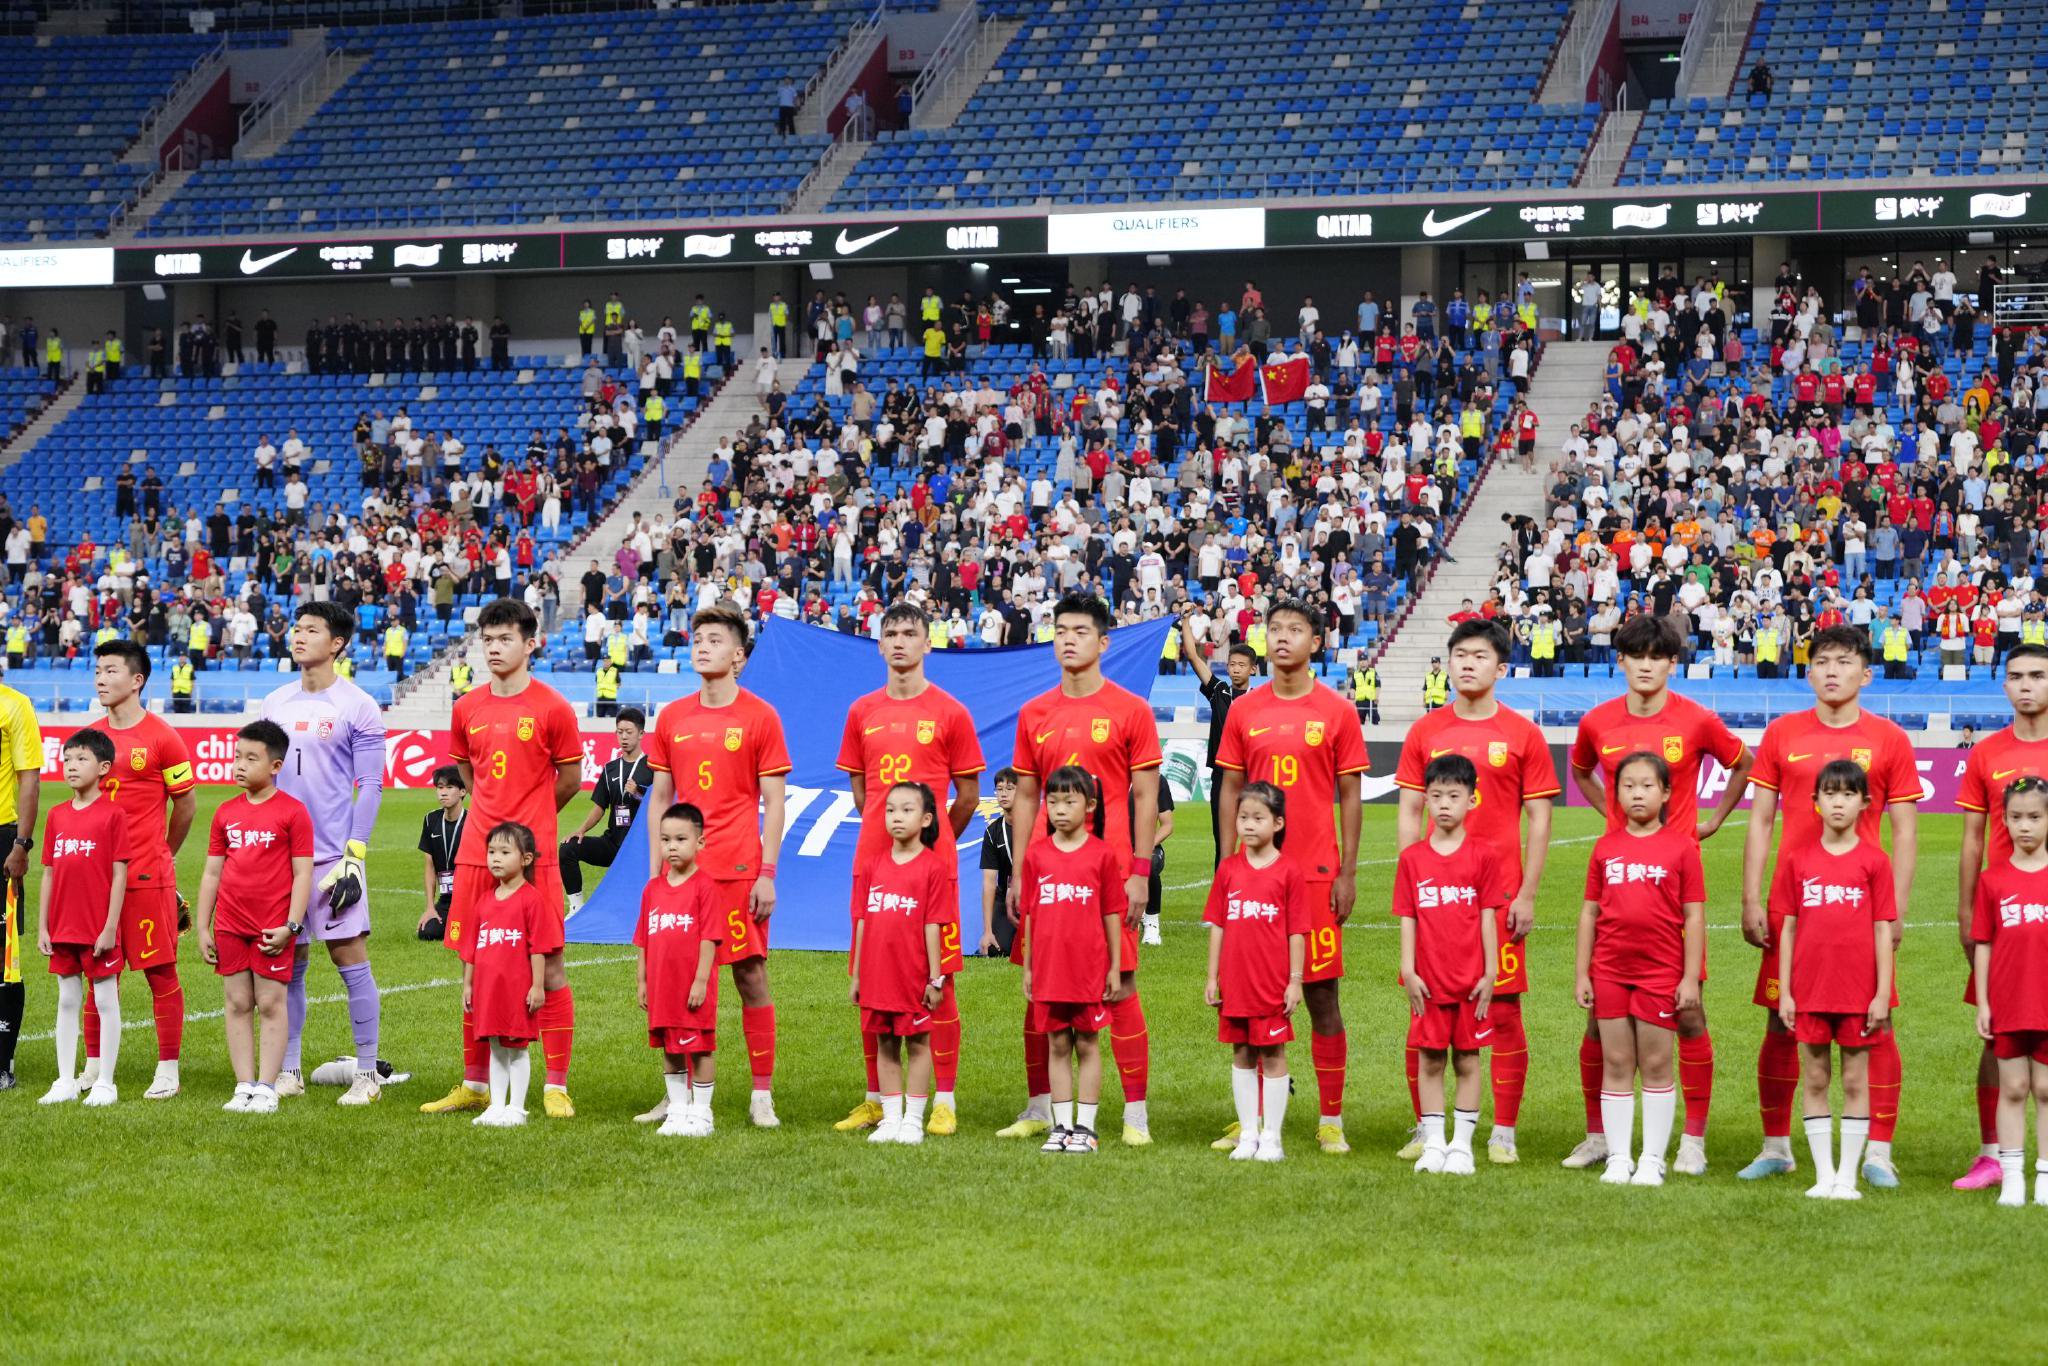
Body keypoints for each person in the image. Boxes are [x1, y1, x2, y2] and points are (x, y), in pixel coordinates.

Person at [1563, 614, 1752, 1175]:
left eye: (1657, 656)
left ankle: (1692, 1138)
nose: (1646, 665)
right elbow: (1580, 772)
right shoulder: (1597, 721)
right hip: (1620, 875)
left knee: (1688, 1012)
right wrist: (1611, 817)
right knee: (1600, 1020)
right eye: (1635, 655)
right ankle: (1599, 1136)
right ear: (1620, 661)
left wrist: (1715, 819)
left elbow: (1744, 762)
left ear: (1673, 663)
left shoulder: (1696, 720)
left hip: (1673, 881)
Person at [1739, 625, 1917, 1186]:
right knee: (1781, 1021)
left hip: (1860, 911)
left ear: (1866, 673)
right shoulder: (1781, 733)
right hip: (1794, 907)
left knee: (1875, 1021)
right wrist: (1751, 897)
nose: (1832, 670)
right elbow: (1762, 820)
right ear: (1809, 671)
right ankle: (1777, 1146)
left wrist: (1896, 913)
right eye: (1822, 661)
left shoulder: (1889, 738)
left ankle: (1877, 1151)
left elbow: (1905, 831)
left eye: (1844, 661)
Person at [1394, 619, 1558, 1164]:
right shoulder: (1425, 731)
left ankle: (1503, 1131)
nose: (1468, 664)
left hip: (1496, 900)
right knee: (1424, 1010)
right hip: (1436, 901)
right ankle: (1428, 1129)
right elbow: (1410, 810)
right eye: (1459, 655)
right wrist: (1410, 880)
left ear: (1501, 668)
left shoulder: (1522, 734)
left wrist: (1527, 893)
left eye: (1480, 656)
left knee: (1503, 1010)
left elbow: (1538, 819)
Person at [1003, 594, 1161, 1145]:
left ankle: (1134, 1114)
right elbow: (1025, 797)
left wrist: (1139, 869)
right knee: (1042, 987)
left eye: (1080, 631)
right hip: (1047, 875)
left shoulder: (1130, 710)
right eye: (1061, 631)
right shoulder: (1035, 713)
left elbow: (1144, 796)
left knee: (1120, 986)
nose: (1068, 640)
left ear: (1103, 643)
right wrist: (1020, 871)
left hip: (1109, 873)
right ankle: (1040, 1108)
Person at [1211, 598, 1365, 1154]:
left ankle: (1331, 1120)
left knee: (1321, 994)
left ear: (1315, 642)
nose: (1282, 638)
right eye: (1274, 628)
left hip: (1316, 872)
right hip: (1252, 876)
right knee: (1248, 996)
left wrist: (1347, 869)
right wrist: (1226, 857)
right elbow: (1230, 787)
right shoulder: (1244, 710)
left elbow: (1350, 794)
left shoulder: (1338, 711)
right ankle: (1252, 1118)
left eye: (1295, 630)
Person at [420, 599, 582, 1119]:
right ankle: (475, 1083)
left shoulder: (553, 707)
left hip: (536, 858)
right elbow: (469, 774)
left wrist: (529, 830)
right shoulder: (467, 707)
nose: (493, 648)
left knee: (550, 965)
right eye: (487, 639)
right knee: (477, 961)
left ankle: (555, 1084)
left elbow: (572, 780)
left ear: (530, 643)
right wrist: (494, 828)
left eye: (505, 638)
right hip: (476, 855)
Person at [832, 603, 983, 1136]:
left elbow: (966, 796)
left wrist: (932, 844)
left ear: (927, 644)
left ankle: (943, 1098)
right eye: (890, 633)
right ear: (879, 645)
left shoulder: (951, 712)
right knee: (871, 977)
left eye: (909, 634)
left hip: (932, 869)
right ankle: (877, 1099)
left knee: (938, 978)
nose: (899, 642)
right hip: (870, 866)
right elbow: (860, 791)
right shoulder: (861, 711)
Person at [640, 603, 791, 1128]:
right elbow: (660, 799)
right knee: (677, 981)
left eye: (715, 639)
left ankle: (761, 1095)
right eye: (697, 638)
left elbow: (775, 801)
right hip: (680, 877)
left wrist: (767, 873)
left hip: (737, 869)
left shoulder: (760, 716)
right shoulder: (672, 717)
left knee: (750, 977)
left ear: (739, 656)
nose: (702, 646)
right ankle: (678, 1097)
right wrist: (657, 869)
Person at [260, 601, 388, 1107]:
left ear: (336, 643)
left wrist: (354, 855)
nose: (298, 636)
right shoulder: (274, 702)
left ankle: (366, 1074)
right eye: (296, 627)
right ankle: (288, 1068)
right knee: (288, 962)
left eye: (311, 629)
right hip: (278, 858)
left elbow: (371, 783)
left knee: (350, 959)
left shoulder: (357, 705)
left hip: (332, 856)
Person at [1575, 752, 1707, 1187]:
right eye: (1628, 785)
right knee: (1615, 1061)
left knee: (1655, 1063)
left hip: (1660, 972)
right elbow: (1590, 914)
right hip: (1610, 970)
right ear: (1616, 793)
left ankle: (1651, 1158)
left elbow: (1694, 916)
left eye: (1647, 785)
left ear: (1666, 793)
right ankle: (1618, 1157)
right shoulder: (1605, 847)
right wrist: (1583, 973)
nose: (1636, 793)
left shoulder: (1682, 847)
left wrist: (1689, 977)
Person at [78, 640, 196, 1101]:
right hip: (95, 879)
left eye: (110, 671)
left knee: (160, 971)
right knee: (96, 972)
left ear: (137, 680)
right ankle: (92, 1065)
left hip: (148, 875)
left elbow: (185, 805)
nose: (101, 679)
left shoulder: (163, 737)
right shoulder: (88, 737)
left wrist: (162, 853)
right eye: (97, 671)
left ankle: (168, 1068)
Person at [1774, 760, 1897, 1200]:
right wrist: (1786, 990)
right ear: (1816, 803)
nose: (1838, 802)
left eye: (1848, 794)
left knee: (1854, 1081)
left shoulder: (1874, 863)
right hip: (1810, 989)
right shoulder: (1798, 860)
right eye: (1830, 793)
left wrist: (1882, 992)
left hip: (1858, 991)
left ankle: (1848, 1175)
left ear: (1865, 803)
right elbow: (1788, 927)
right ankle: (1823, 1175)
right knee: (1815, 1078)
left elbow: (1883, 928)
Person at [1952, 642, 2048, 1189]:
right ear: (2004, 685)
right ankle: (1993, 1154)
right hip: (2005, 915)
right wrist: (1967, 912)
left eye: (2038, 675)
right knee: (1996, 1034)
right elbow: (1971, 839)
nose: (2027, 685)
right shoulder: (1986, 754)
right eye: (2016, 676)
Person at [1395, 753, 1511, 1176]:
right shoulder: (1412, 860)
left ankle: (1462, 1145)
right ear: (1425, 799)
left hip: (1468, 982)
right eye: (1437, 795)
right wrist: (1408, 970)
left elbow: (1487, 919)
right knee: (1429, 1061)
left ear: (1471, 800)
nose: (1444, 804)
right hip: (1427, 981)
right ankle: (1435, 1143)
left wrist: (1490, 972)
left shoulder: (1482, 857)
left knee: (1467, 1060)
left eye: (1454, 796)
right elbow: (1408, 916)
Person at [194, 721, 315, 1116]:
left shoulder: (293, 813)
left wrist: (292, 926)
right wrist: (202, 925)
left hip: (272, 928)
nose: (240, 765)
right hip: (230, 924)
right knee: (237, 1002)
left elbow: (302, 873)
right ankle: (244, 1085)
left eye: (251, 758)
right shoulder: (226, 813)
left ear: (276, 765)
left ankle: (267, 1086)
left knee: (270, 1003)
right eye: (236, 757)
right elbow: (212, 872)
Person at [1018, 766, 1126, 1155]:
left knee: (1088, 1045)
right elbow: (1030, 913)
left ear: (1090, 805)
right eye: (1053, 801)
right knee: (1057, 1045)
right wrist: (1029, 967)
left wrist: (1114, 966)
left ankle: (1087, 1127)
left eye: (1070, 801)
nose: (1060, 809)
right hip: (1049, 970)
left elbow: (1112, 913)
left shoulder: (1101, 855)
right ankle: (1061, 1127)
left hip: (1088, 970)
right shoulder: (1036, 855)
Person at [1203, 782, 1307, 1163]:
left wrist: (1295, 981)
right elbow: (1218, 925)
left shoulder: (1289, 871)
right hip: (1236, 981)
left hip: (1272, 983)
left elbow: (1298, 931)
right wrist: (1212, 977)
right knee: (1242, 1052)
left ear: (1277, 822)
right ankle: (1248, 1133)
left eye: (1258, 818)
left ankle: (1272, 1137)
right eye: (1243, 817)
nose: (1248, 825)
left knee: (1274, 1054)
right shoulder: (1228, 869)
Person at [848, 782, 954, 1147]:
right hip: (877, 975)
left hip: (912, 976)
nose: (896, 817)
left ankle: (912, 1119)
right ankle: (890, 1119)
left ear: (926, 819)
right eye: (891, 809)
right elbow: (862, 921)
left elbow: (932, 925)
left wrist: (935, 978)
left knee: (919, 1044)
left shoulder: (933, 868)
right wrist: (858, 973)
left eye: (906, 810)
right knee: (886, 1045)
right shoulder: (873, 865)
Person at [33, 730, 126, 1107]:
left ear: (103, 768)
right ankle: (65, 1080)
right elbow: (50, 873)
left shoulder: (114, 814)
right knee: (67, 999)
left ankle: (105, 1081)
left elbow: (119, 873)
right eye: (68, 759)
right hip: (63, 926)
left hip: (97, 928)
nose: (71, 765)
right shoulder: (56, 816)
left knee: (105, 1000)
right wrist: (43, 925)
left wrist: (109, 926)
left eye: (81, 759)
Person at [1970, 777, 2048, 1206]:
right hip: (2009, 1002)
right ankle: (2013, 1176)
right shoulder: (1992, 881)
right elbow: (1984, 944)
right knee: (2014, 1087)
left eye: (2035, 817)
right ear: (2003, 820)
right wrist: (1983, 1002)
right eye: (2016, 817)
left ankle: (2044, 1178)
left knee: (2046, 1090)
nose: (2025, 827)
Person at [463, 822, 558, 1127]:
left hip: (517, 989)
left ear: (526, 859)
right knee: (495, 1046)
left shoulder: (531, 900)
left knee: (516, 1048)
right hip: (489, 989)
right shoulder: (485, 901)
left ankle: (516, 1108)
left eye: (505, 852)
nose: (496, 858)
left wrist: (537, 986)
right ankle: (496, 1105)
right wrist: (468, 984)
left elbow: (539, 948)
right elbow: (474, 948)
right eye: (492, 852)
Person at [637, 803, 720, 1139]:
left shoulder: (705, 887)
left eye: (681, 839)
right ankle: (678, 1109)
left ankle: (702, 1113)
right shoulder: (652, 889)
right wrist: (642, 980)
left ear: (700, 842)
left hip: (692, 988)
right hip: (662, 987)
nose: (672, 846)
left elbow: (710, 938)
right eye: (665, 839)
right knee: (670, 1049)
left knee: (699, 1047)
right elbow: (643, 938)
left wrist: (701, 980)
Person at [562, 708, 652, 914]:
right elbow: (600, 806)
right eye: (620, 732)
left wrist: (638, 794)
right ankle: (576, 908)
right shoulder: (610, 768)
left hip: (640, 848)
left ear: (641, 734)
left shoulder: (652, 767)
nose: (624, 737)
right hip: (613, 843)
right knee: (568, 849)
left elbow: (661, 803)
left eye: (629, 732)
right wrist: (581, 830)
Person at [1181, 607, 1253, 865]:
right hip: (1222, 774)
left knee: (1254, 840)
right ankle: (1224, 897)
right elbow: (1192, 656)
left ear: (1253, 670)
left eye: (1241, 666)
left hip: (1250, 774)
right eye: (1232, 664)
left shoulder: (1259, 701)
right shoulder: (1219, 692)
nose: (1235, 670)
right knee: (1222, 841)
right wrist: (1186, 621)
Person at [0, 671, 41, 1091]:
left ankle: (2, 1060)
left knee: (3, 954)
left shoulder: (14, 705)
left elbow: (29, 777)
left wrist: (22, 843)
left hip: (1, 837)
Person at [417, 766, 467, 942]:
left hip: (469, 899)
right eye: (440, 787)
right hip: (446, 899)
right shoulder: (431, 819)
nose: (443, 793)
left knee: (463, 936)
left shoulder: (473, 821)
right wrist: (430, 908)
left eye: (449, 787)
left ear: (462, 791)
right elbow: (429, 865)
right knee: (428, 932)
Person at [979, 768, 1019, 961]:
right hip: (1006, 897)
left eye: (1010, 788)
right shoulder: (993, 832)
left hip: (1037, 896)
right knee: (995, 950)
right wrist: (987, 930)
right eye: (999, 789)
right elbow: (989, 882)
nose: (1003, 794)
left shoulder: (1038, 825)